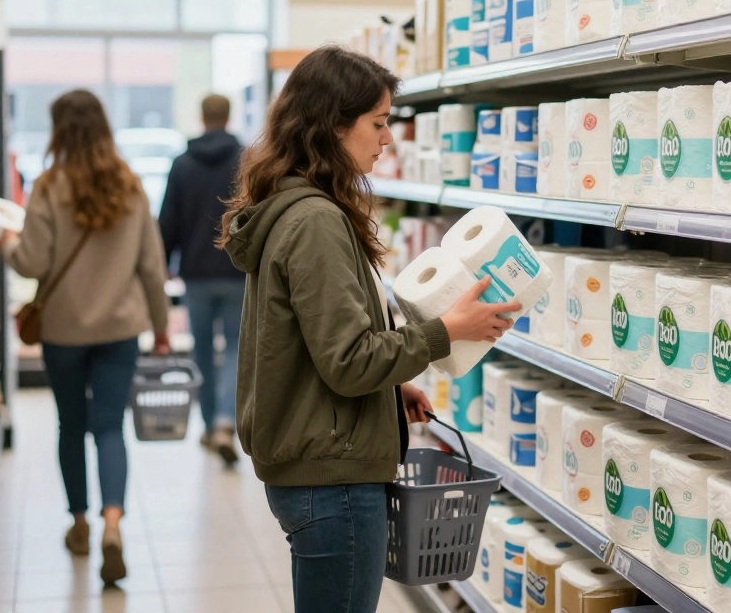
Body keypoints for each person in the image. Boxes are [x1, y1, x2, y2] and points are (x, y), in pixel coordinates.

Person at [220, 46, 518, 613]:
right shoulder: (315, 222)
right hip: (331, 479)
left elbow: (318, 346)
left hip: (316, 461)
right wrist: (445, 332)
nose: (388, 138)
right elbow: (350, 360)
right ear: (333, 125)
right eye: (378, 123)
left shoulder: (296, 207)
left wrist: (390, 387)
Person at [4, 89, 171, 585]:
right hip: (121, 329)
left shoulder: (48, 187)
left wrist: (7, 243)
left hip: (64, 329)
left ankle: (79, 523)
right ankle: (113, 525)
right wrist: (161, 327)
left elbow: (31, 263)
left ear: (59, 131)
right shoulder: (131, 185)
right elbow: (151, 267)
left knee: (70, 426)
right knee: (109, 428)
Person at [159, 94, 245, 463]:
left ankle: (210, 425)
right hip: (239, 271)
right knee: (238, 350)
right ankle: (228, 420)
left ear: (202, 117)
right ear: (228, 117)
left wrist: (163, 263)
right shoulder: (247, 161)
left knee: (204, 351)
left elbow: (168, 220)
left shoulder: (182, 164)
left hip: (195, 274)